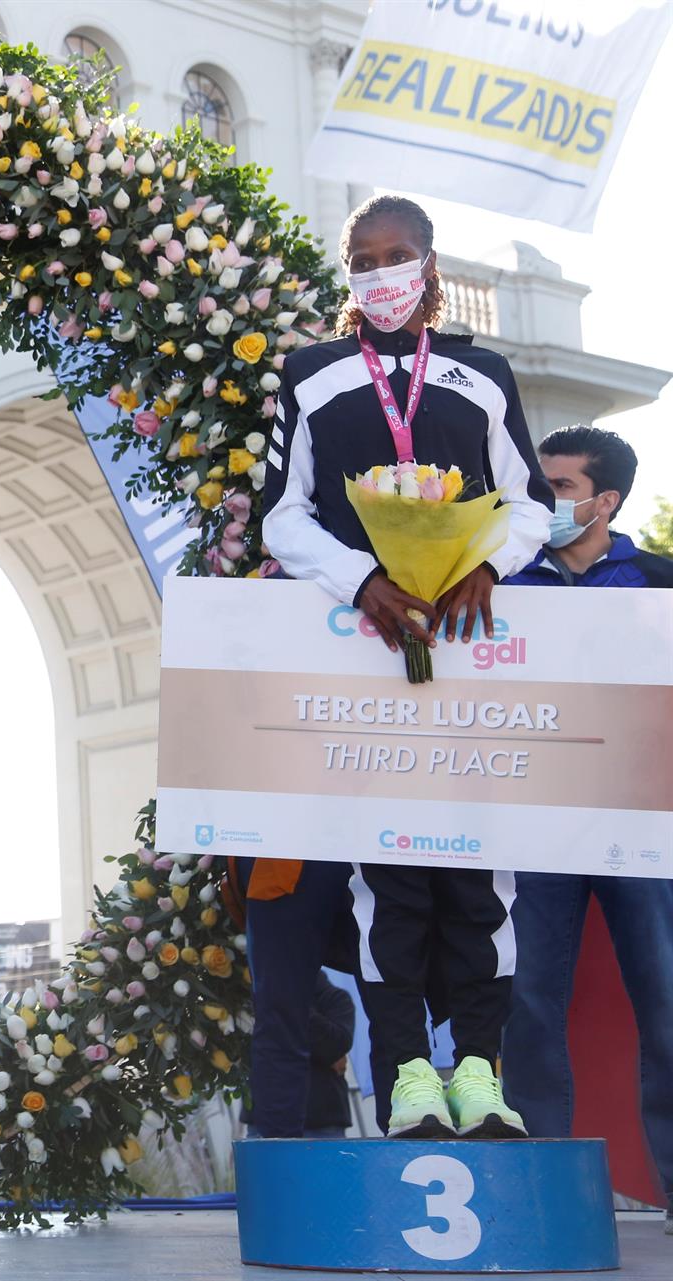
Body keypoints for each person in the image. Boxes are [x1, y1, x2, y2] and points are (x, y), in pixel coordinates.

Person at [262, 194, 551, 1138]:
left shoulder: (483, 374)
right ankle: (410, 1079)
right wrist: (362, 582)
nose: (379, 272)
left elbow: (530, 504)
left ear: (428, 264)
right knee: (386, 880)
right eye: (362, 257)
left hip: (472, 662)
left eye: (396, 255)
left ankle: (481, 1072)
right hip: (365, 658)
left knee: (477, 876)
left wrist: (485, 564)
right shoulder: (309, 375)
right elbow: (281, 516)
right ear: (348, 270)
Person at [500, 425, 673, 1231]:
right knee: (530, 1005)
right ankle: (542, 1196)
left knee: (665, 1002)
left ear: (605, 501)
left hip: (642, 825)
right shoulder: (500, 579)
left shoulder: (662, 581)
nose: (545, 500)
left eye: (560, 487)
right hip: (536, 824)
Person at [232, 857, 358, 1138]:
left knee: (278, 1014)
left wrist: (290, 1003)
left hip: (324, 1119)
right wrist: (283, 1000)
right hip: (272, 1118)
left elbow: (337, 1043)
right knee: (277, 1016)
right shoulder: (259, 991)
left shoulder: (337, 999)